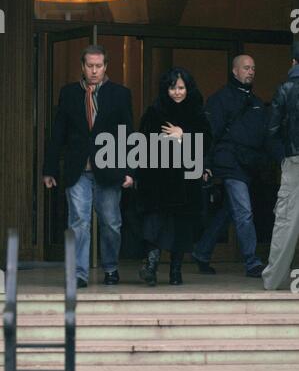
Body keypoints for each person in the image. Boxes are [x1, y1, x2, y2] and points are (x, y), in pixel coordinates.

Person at [43, 44, 134, 287]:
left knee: (111, 223)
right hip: (77, 170)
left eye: (99, 66)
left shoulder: (120, 93)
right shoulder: (69, 93)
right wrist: (49, 168)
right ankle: (79, 274)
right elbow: (58, 132)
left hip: (110, 167)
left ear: (106, 67)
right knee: (79, 222)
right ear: (82, 67)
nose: (94, 71)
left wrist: (130, 170)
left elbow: (128, 134)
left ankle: (111, 267)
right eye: (90, 66)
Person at [192, 55, 267, 278]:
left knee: (230, 212)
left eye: (253, 68)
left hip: (248, 164)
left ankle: (202, 251)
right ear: (234, 71)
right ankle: (252, 261)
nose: (251, 71)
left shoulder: (256, 102)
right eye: (246, 68)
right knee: (243, 210)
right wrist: (204, 165)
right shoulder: (220, 99)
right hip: (228, 162)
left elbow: (264, 137)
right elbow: (209, 134)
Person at [137, 67, 212, 286]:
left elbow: (207, 143)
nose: (177, 92)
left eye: (181, 88)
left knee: (181, 226)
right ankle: (150, 266)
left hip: (185, 180)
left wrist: (183, 136)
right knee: (154, 223)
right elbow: (142, 146)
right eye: (172, 88)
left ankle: (175, 271)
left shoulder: (197, 114)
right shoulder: (154, 113)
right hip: (157, 179)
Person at [262, 43, 299, 290]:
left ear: (293, 62)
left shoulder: (286, 89)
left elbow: (272, 130)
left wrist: (283, 157)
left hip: (294, 161)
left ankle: (273, 280)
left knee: (286, 222)